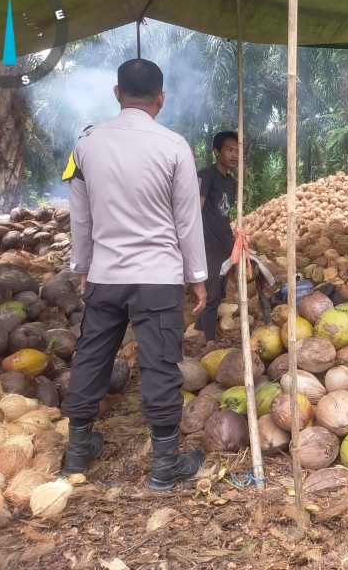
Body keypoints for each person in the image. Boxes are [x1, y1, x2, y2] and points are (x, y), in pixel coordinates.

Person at [62, 59, 209, 491]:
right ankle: (165, 465)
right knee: (160, 364)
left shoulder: (86, 144)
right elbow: (187, 221)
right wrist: (196, 275)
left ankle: (76, 454)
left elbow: (81, 218)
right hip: (158, 278)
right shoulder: (174, 146)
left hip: (107, 274)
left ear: (116, 93)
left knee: (91, 357)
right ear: (161, 98)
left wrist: (84, 268)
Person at [194, 131, 239, 353]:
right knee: (211, 293)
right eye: (229, 150)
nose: (234, 154)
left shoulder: (231, 183)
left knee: (219, 290)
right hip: (207, 243)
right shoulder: (205, 176)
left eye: (237, 150)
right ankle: (210, 342)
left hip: (225, 243)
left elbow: (225, 214)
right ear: (217, 152)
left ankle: (202, 334)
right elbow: (194, 212)